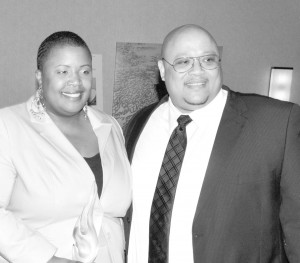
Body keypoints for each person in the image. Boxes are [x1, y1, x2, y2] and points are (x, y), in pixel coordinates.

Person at [124, 24, 300, 263]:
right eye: (183, 62)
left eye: (208, 59)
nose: (198, 71)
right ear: (162, 70)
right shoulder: (139, 123)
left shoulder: (276, 123)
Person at [0, 31, 131, 263]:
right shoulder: (8, 125)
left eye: (85, 71)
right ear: (40, 77)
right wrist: (47, 259)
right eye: (62, 71)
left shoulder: (110, 126)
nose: (76, 82)